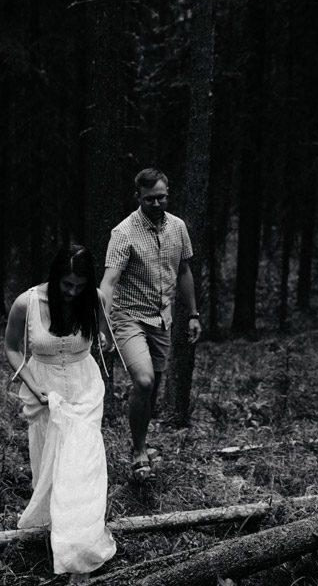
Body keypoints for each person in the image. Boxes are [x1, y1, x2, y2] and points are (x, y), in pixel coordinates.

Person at [4, 244, 117, 583]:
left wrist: (104, 338)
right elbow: (11, 348)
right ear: (55, 278)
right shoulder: (27, 302)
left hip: (84, 388)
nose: (72, 292)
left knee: (82, 465)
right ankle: (57, 528)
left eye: (79, 286)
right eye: (67, 284)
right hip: (44, 390)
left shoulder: (92, 298)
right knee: (49, 462)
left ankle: (78, 548)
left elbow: (104, 336)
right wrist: (29, 383)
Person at [99, 168, 201, 481]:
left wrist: (194, 314)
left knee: (153, 385)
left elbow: (183, 270)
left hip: (162, 318)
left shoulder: (178, 227)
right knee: (143, 380)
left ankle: (140, 442)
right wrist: (102, 326)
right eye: (149, 199)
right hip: (128, 317)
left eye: (161, 197)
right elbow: (109, 282)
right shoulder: (124, 233)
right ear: (138, 197)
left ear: (167, 194)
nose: (156, 204)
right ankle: (138, 450)